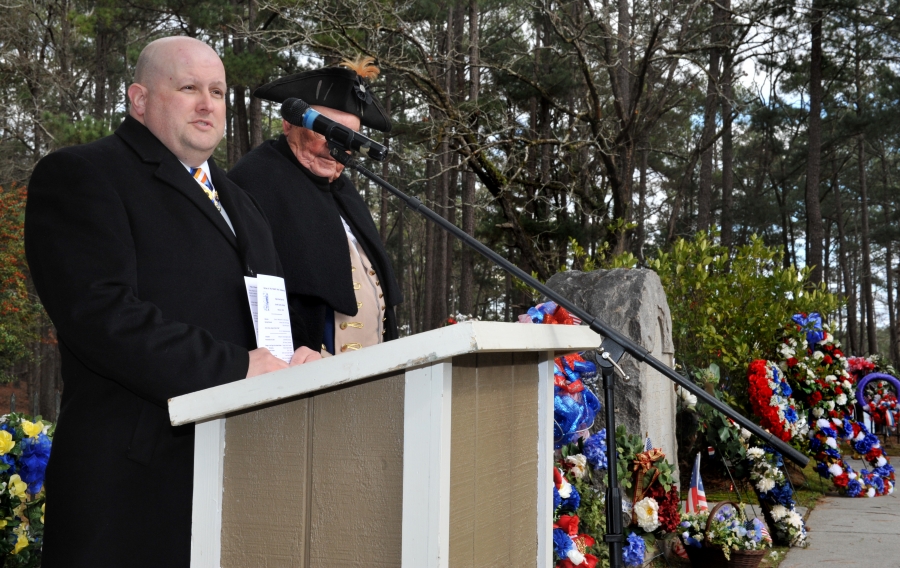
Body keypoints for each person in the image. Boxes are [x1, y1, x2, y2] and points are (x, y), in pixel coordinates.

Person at [24, 36, 319, 567]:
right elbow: (102, 317)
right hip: (134, 486)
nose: (207, 104)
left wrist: (296, 358)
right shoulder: (83, 175)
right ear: (139, 99)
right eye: (188, 88)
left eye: (218, 92)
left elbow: (263, 313)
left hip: (241, 472)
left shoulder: (242, 202)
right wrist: (237, 367)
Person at [228, 57, 402, 356]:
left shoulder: (345, 192)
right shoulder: (256, 180)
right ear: (289, 123)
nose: (336, 148)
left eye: (349, 137)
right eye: (327, 130)